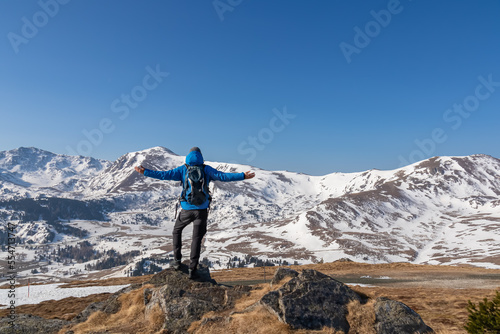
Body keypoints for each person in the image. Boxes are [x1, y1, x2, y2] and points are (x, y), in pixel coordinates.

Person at [134, 147, 255, 279]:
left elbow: (164, 175)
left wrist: (145, 172)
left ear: (188, 156)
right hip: (201, 210)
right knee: (196, 239)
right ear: (201, 156)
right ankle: (193, 268)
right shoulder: (206, 169)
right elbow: (223, 176)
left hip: (186, 209)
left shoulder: (183, 169)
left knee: (176, 231)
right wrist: (243, 175)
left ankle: (177, 261)